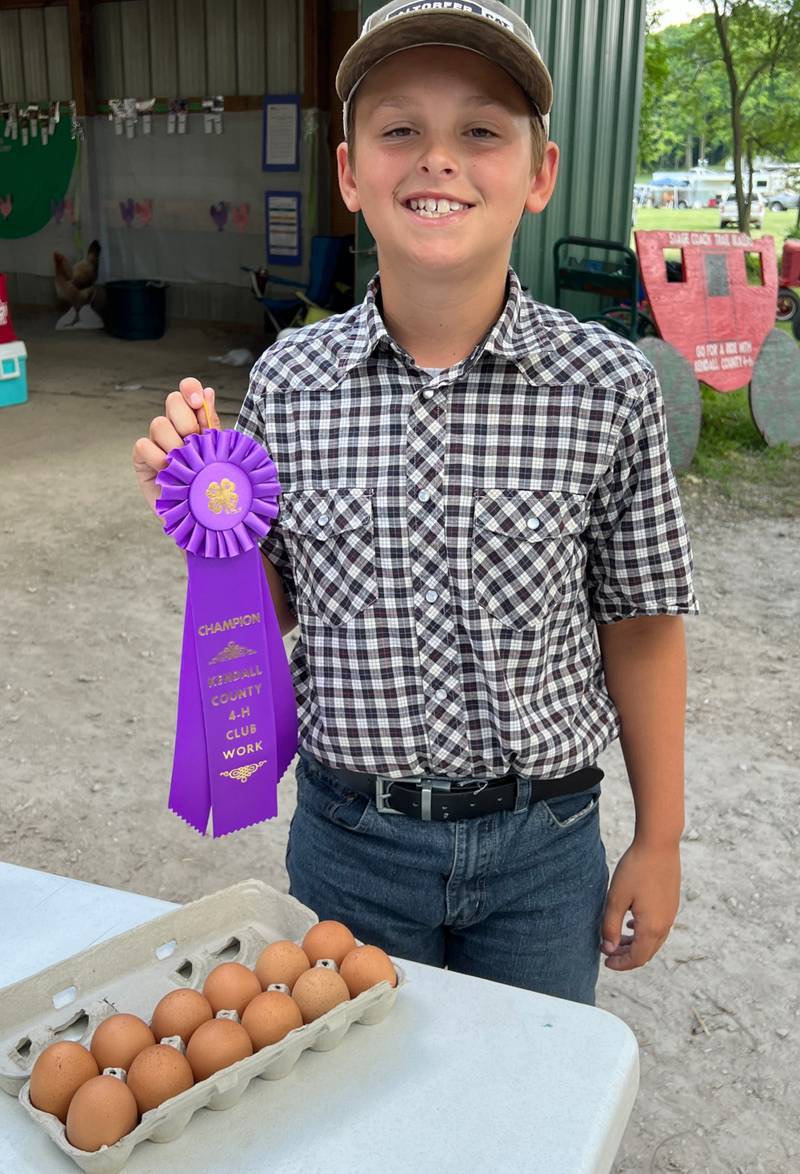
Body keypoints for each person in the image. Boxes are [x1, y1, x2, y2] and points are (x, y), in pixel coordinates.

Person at [133, 0, 699, 1006]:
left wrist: (657, 837)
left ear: (539, 174)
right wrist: (210, 539)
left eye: (480, 130)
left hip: (544, 847)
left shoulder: (608, 385)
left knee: (518, 1119)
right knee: (362, 1109)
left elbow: (642, 624)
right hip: (350, 844)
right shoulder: (287, 383)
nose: (437, 158)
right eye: (398, 129)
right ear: (351, 173)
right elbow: (274, 612)